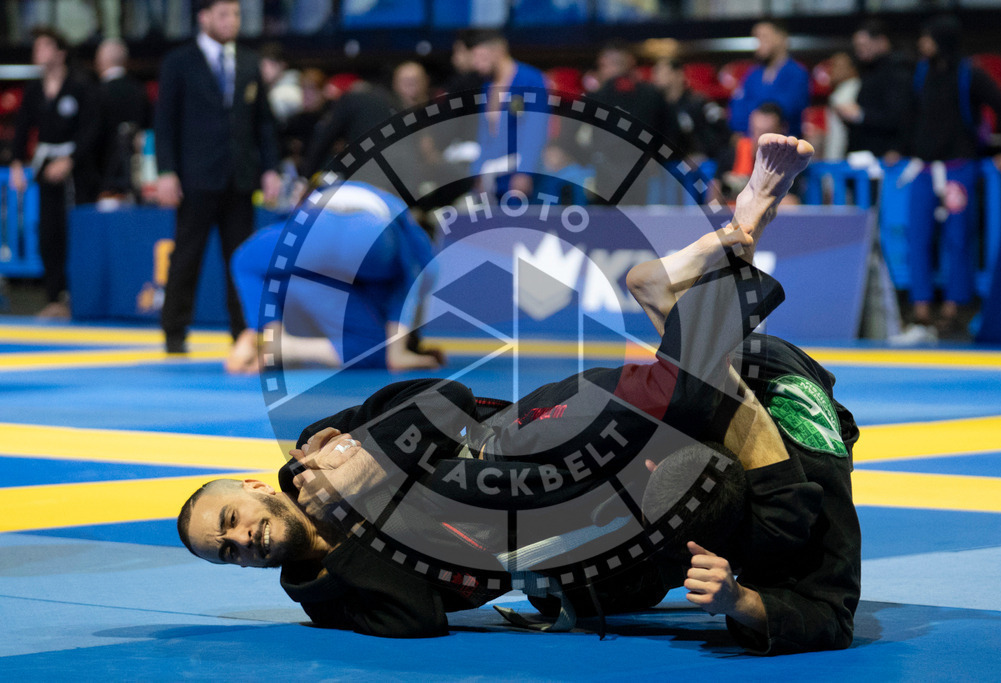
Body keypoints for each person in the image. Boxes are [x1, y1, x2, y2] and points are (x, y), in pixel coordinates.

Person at [180, 135, 858, 654]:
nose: (242, 539)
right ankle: (679, 288)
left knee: (704, 417)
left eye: (231, 522)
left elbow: (439, 398)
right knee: (715, 443)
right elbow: (413, 615)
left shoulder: (317, 452)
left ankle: (696, 275)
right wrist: (349, 534)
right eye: (228, 550)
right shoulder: (329, 591)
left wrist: (370, 454)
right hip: (559, 532)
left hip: (520, 450)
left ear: (250, 485)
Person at [154, 0, 281, 354]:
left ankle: (244, 332)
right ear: (204, 17)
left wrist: (270, 168)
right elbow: (164, 122)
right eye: (224, 14)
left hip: (239, 177)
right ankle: (174, 331)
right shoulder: (179, 62)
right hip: (195, 176)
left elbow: (264, 124)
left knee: (241, 258)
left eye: (237, 14)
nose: (232, 21)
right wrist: (165, 171)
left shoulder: (250, 62)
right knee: (186, 256)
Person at [224, 182, 443, 374]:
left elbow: (247, 261)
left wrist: (263, 326)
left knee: (245, 260)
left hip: (316, 230)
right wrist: (399, 350)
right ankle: (280, 345)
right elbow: (421, 269)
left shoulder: (321, 197)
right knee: (376, 346)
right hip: (367, 236)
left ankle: (269, 336)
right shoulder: (395, 208)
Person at [900, 15, 1001, 336]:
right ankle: (921, 308)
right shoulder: (922, 73)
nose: (922, 44)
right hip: (924, 169)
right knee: (918, 237)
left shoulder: (971, 75)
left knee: (957, 239)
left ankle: (953, 309)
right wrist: (900, 147)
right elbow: (911, 117)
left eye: (927, 38)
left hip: (958, 169)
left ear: (942, 40)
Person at [9, 27, 99, 320]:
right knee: (49, 234)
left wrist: (71, 160)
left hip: (78, 171)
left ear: (60, 53)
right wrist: (16, 164)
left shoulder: (80, 86)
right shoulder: (34, 90)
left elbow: (92, 129)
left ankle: (80, 295)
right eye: (36, 47)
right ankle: (54, 296)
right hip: (46, 168)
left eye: (45, 46)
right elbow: (21, 131)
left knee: (76, 232)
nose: (38, 52)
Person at [587, 41, 680, 202]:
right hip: (643, 169)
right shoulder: (653, 94)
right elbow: (670, 136)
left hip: (617, 173)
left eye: (604, 65)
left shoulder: (597, 97)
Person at [463, 28, 548, 199]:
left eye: (481, 57)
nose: (476, 65)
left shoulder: (530, 79)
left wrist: (525, 172)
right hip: (494, 177)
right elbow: (485, 134)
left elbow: (535, 129)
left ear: (498, 50)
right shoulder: (487, 87)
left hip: (521, 176)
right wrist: (478, 171)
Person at [837, 19, 912, 160]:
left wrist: (860, 115)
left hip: (886, 156)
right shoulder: (868, 70)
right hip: (862, 153)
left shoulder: (898, 71)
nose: (859, 50)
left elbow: (900, 117)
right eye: (857, 46)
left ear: (882, 41)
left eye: (864, 45)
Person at [728, 20, 809, 142]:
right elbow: (737, 111)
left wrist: (757, 113)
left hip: (785, 145)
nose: (759, 43)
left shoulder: (797, 73)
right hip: (751, 144)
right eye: (756, 38)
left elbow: (785, 110)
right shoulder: (752, 74)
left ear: (781, 38)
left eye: (764, 36)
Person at [94, 38, 150, 200]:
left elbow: (92, 138)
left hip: (104, 182)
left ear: (101, 61)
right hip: (138, 179)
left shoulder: (96, 94)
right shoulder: (140, 91)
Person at [651, 56, 731, 161]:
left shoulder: (699, 102)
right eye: (655, 72)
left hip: (704, 162)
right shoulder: (657, 108)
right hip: (670, 164)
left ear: (679, 75)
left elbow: (723, 132)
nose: (656, 77)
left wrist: (703, 154)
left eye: (662, 72)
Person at [823, 52, 860, 161]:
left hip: (847, 157)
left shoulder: (854, 87)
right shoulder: (839, 91)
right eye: (831, 65)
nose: (831, 70)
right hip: (836, 157)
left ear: (852, 69)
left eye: (837, 66)